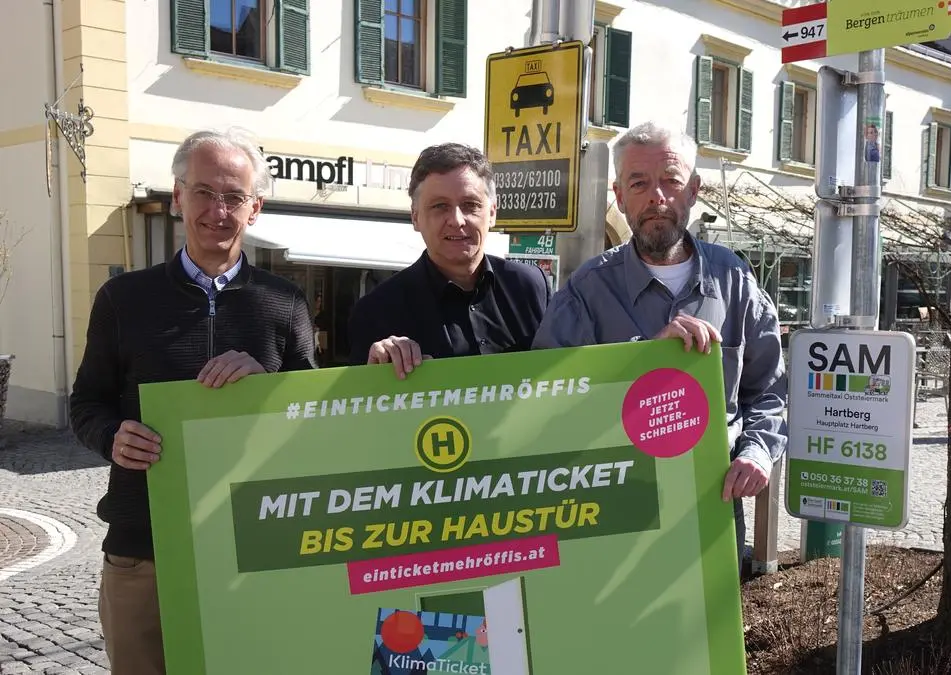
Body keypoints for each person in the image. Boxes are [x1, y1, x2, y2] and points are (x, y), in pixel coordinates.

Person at [68, 128, 317, 674]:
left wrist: (270, 390)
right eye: (204, 192)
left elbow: (311, 424)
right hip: (144, 547)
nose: (217, 210)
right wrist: (112, 437)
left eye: (233, 197)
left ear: (255, 209)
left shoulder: (285, 304)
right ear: (178, 196)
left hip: (253, 547)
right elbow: (85, 404)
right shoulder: (122, 299)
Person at [531, 120, 788, 568]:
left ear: (694, 189)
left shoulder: (736, 281)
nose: (657, 197)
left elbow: (769, 391)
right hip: (610, 517)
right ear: (618, 194)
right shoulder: (586, 292)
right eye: (639, 183)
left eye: (671, 181)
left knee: (708, 637)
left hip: (712, 510)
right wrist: (646, 360)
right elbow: (546, 403)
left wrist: (758, 450)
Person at [348, 143, 552, 377]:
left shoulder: (530, 286)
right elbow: (361, 408)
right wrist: (376, 374)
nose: (457, 220)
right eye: (440, 206)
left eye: (470, 205)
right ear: (415, 218)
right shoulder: (376, 312)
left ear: (493, 213)